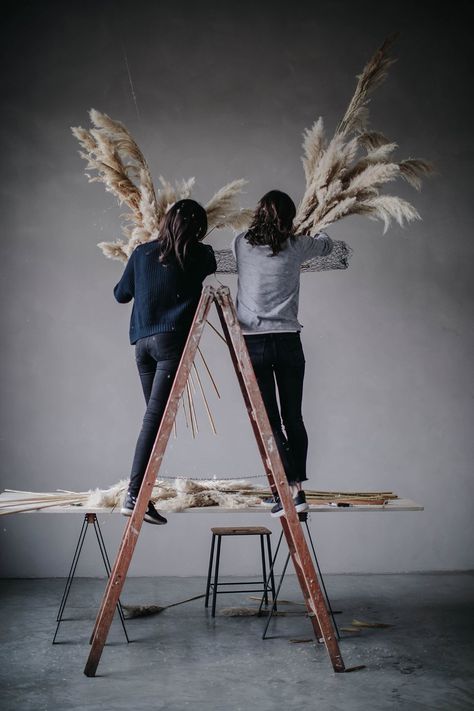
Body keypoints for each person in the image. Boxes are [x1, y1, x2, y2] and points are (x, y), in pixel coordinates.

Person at [114, 199, 217, 524]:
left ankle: (143, 496)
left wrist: (140, 258)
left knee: (154, 423)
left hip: (142, 344)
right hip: (170, 344)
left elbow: (120, 294)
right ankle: (135, 495)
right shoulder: (198, 254)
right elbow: (211, 263)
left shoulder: (142, 252)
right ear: (197, 229)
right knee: (153, 423)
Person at [232, 190, 334, 518]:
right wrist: (315, 227)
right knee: (294, 418)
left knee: (272, 422)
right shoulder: (299, 245)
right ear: (290, 218)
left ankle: (284, 491)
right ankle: (297, 491)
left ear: (258, 214)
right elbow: (327, 244)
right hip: (289, 341)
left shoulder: (240, 244)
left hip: (254, 343)